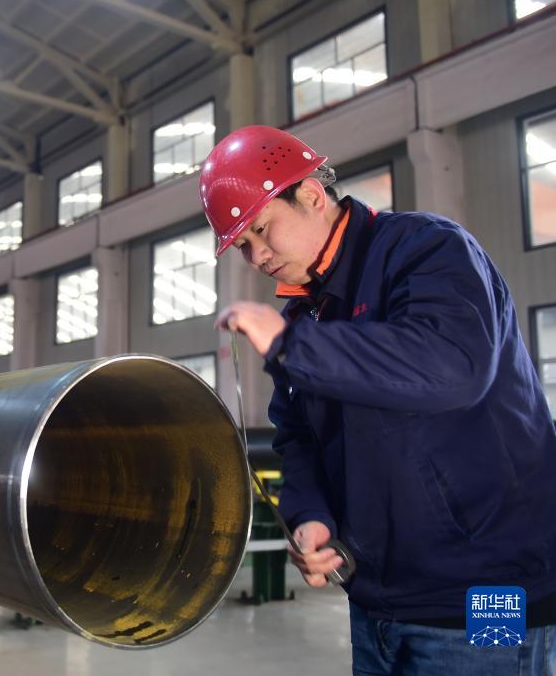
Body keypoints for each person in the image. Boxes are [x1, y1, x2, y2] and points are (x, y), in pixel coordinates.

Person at [200, 125, 556, 675]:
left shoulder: (427, 249)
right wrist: (311, 515)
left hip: (487, 596)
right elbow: (299, 438)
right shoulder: (306, 316)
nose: (257, 256)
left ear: (311, 195)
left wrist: (292, 346)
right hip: (378, 606)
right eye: (243, 245)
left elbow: (453, 367)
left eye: (262, 230)